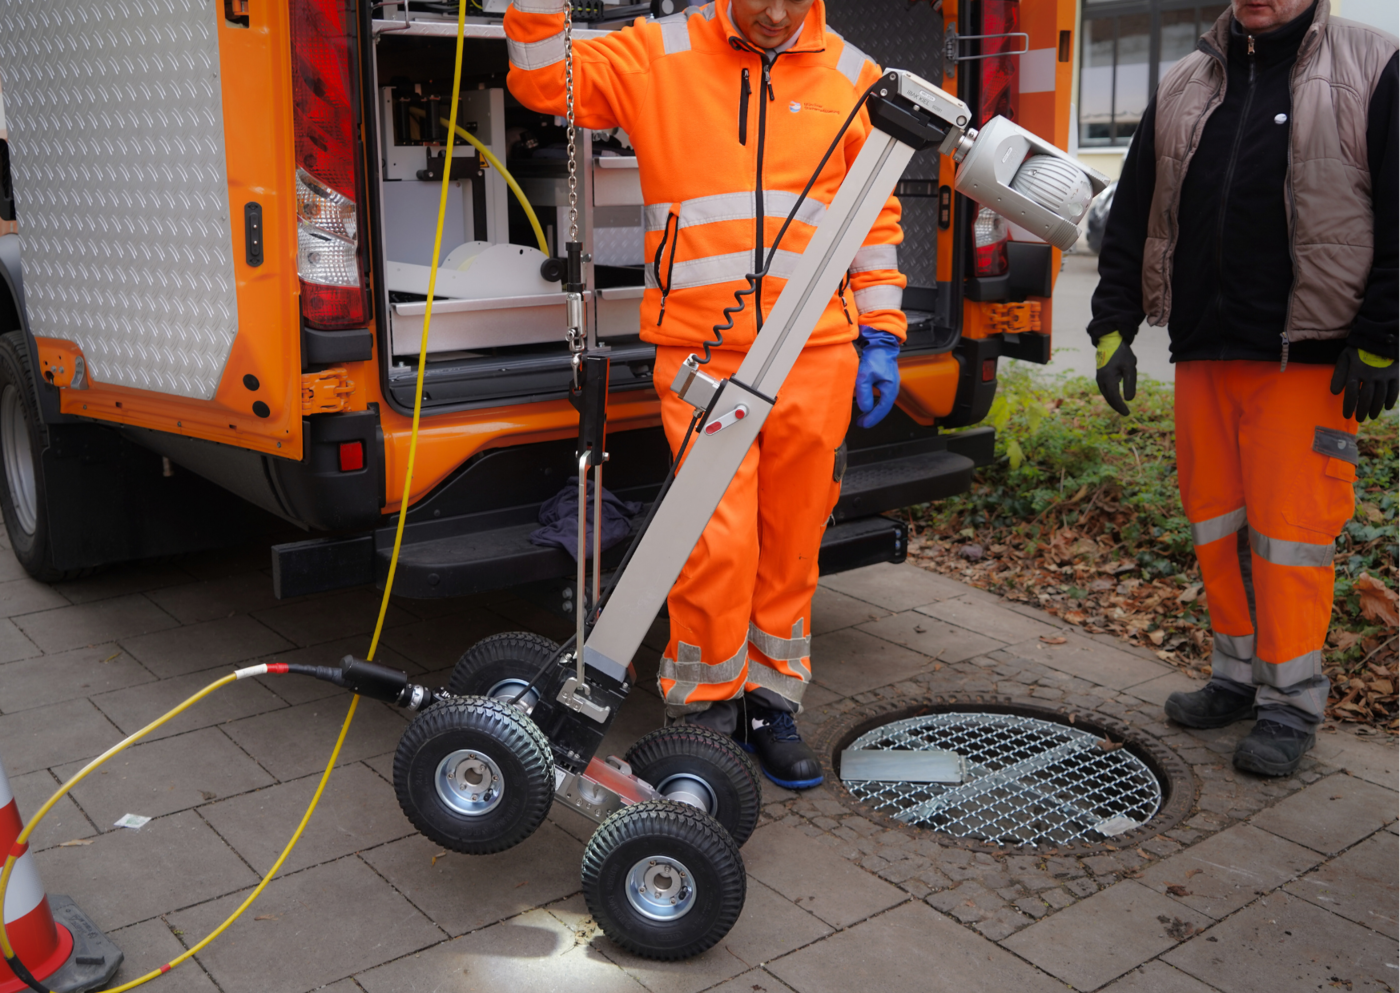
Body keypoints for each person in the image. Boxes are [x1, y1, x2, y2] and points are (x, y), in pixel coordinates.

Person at [505, 0, 907, 787]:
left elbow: (874, 218)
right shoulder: (657, 52)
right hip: (703, 349)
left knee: (792, 537)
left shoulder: (855, 77)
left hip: (817, 350)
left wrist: (883, 332)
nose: (775, 14)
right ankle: (705, 707)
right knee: (714, 540)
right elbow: (544, 82)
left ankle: (771, 700)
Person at [1089, 0, 1397, 776]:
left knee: (1290, 535)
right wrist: (1112, 323)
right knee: (1217, 523)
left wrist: (1382, 337)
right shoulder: (1186, 81)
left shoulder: (1373, 66)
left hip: (1308, 357)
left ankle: (1290, 700)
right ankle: (1234, 674)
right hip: (1204, 348)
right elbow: (1135, 209)